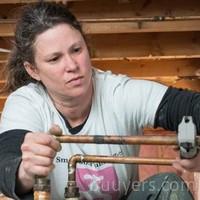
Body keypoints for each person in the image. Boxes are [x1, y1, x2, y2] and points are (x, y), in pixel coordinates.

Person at [0, 2, 199, 200]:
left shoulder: (119, 93)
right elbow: (5, 165)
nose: (71, 65)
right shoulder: (26, 103)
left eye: (76, 50)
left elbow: (192, 108)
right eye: (54, 59)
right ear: (33, 70)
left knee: (166, 186)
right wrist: (24, 172)